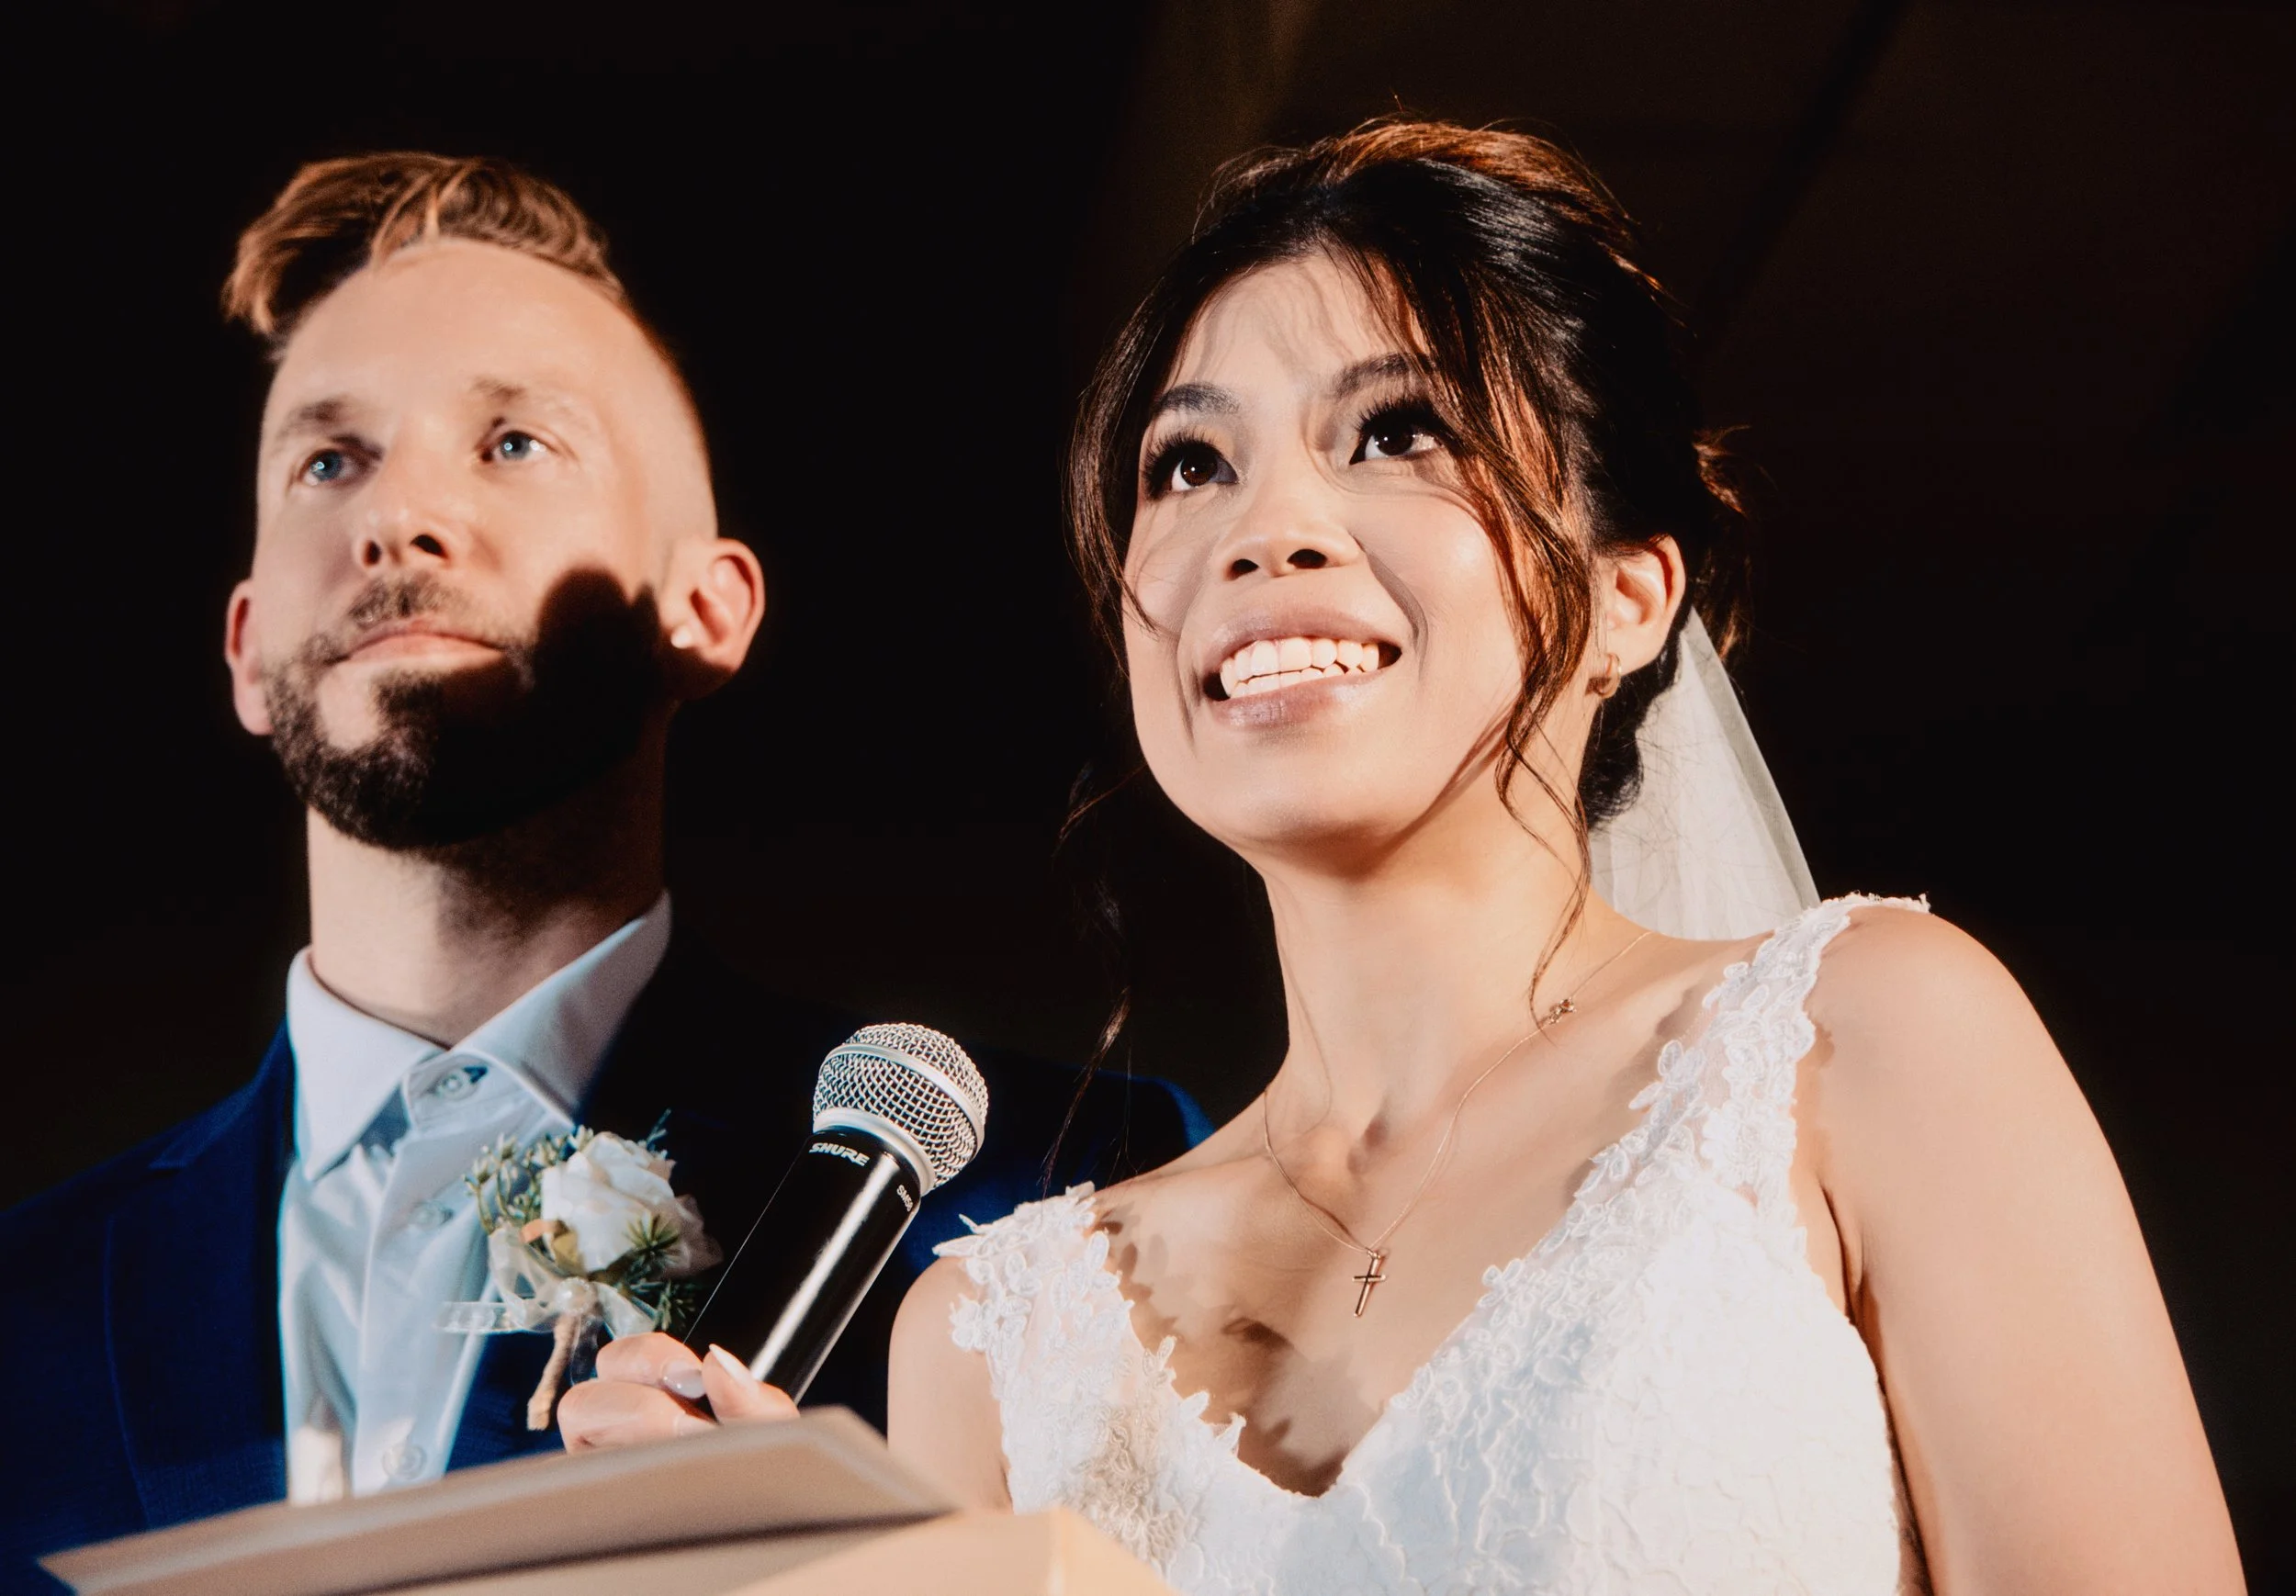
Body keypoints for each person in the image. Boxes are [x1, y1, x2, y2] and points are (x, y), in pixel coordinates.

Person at [575, 119, 2244, 1591]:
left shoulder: (1866, 1041)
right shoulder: (986, 1336)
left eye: (1397, 433)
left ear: (1628, 595)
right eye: (1190, 462)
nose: (1263, 523)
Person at [0, 153, 1200, 1587]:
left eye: (513, 443)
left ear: (705, 607)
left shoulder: (1074, 1193)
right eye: (330, 460)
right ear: (248, 645)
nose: (397, 520)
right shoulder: (21, 1306)